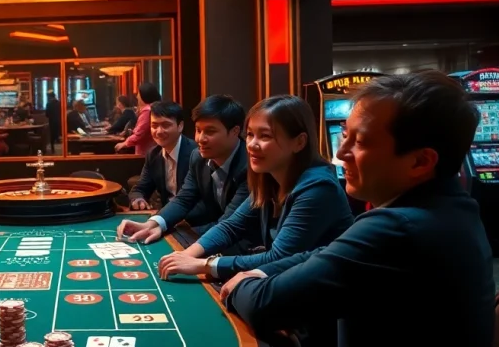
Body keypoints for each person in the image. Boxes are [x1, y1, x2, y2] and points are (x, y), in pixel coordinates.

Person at [221, 71, 494, 347]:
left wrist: (242, 283)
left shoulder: (398, 229)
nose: (340, 153)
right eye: (344, 135)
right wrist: (259, 271)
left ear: (420, 161)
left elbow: (265, 305)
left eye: (360, 142)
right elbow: (326, 253)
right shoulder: (449, 208)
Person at [154, 95, 353, 281]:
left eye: (265, 136)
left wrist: (204, 265)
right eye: (250, 134)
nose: (252, 144)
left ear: (299, 142)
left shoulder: (317, 187)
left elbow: (279, 257)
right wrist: (185, 256)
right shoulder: (268, 177)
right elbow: (231, 226)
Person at [118, 94, 248, 241]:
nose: (200, 139)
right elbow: (184, 199)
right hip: (213, 234)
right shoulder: (198, 157)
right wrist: (152, 224)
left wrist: (174, 234)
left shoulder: (250, 166)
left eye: (210, 132)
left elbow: (229, 225)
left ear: (235, 131)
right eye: (198, 130)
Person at [123, 101, 196, 213]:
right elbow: (140, 188)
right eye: (154, 125)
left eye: (166, 125)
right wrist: (137, 198)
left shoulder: (196, 153)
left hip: (193, 220)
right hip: (165, 218)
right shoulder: (153, 154)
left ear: (180, 126)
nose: (159, 131)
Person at [115, 81, 160, 155]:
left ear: (144, 95)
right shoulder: (154, 108)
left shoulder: (147, 111)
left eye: (138, 94)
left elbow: (140, 134)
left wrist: (125, 143)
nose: (137, 97)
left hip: (145, 153)